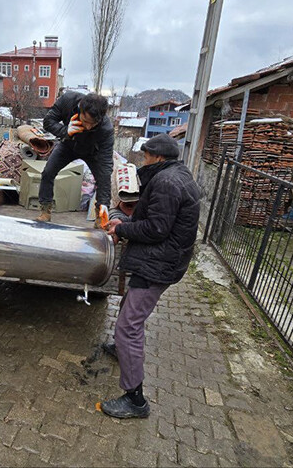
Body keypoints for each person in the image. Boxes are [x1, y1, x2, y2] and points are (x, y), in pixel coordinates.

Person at [99, 134, 201, 419]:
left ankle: (135, 399)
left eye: (145, 156)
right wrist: (126, 222)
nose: (142, 160)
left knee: (128, 327)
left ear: (158, 157)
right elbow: (157, 220)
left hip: (158, 263)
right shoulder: (174, 175)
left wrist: (121, 230)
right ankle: (122, 351)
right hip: (164, 259)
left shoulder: (167, 183)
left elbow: (156, 229)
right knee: (130, 309)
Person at [37, 92, 115, 222]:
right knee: (48, 172)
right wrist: (65, 131)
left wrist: (105, 203)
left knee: (103, 179)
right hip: (68, 144)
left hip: (92, 151)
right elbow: (48, 122)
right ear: (80, 110)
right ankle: (45, 211)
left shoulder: (106, 129)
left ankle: (100, 218)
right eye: (85, 121)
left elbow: (106, 167)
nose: (88, 126)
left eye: (93, 124)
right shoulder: (68, 101)